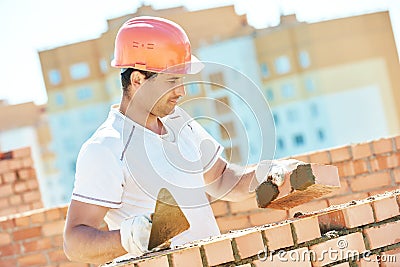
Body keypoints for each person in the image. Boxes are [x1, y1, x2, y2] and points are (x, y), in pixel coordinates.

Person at [63, 16, 303, 265]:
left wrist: (267, 172)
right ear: (137, 80)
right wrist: (128, 239)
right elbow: (74, 243)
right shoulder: (106, 148)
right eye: (172, 81)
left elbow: (222, 179)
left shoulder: (177, 121)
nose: (181, 91)